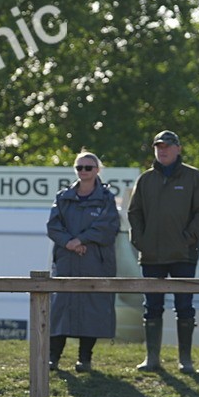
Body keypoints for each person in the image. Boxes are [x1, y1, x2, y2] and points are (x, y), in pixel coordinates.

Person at [127, 130, 199, 372]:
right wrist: (140, 241)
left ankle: (185, 360)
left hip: (183, 255)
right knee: (152, 307)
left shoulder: (195, 177)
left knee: (185, 306)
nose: (162, 150)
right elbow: (134, 213)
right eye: (158, 146)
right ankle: (152, 358)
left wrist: (188, 238)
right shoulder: (145, 180)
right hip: (151, 256)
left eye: (167, 146)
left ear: (178, 148)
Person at [46, 151, 120, 372]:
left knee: (92, 309)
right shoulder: (63, 197)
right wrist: (69, 243)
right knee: (60, 308)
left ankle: (85, 358)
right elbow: (53, 226)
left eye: (88, 167)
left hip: (95, 262)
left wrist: (82, 240)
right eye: (79, 167)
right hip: (66, 262)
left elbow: (108, 227)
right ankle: (53, 357)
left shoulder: (107, 198)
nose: (84, 172)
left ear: (98, 170)